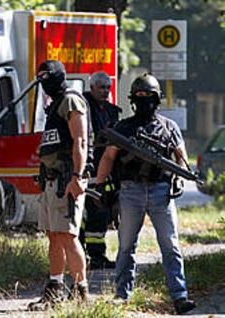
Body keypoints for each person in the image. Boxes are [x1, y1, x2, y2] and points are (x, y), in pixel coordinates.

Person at [95, 73, 196, 314]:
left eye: (148, 97)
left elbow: (182, 158)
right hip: (130, 192)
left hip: (161, 191)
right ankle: (122, 294)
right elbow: (109, 157)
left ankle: (180, 295)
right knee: (126, 246)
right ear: (132, 99)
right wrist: (99, 184)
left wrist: (181, 177)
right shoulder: (123, 128)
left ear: (157, 99)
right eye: (139, 96)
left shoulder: (167, 127)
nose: (143, 101)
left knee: (170, 245)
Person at [29, 60, 91, 310]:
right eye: (40, 78)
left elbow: (81, 141)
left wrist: (76, 176)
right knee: (53, 235)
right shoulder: (54, 104)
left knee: (67, 235)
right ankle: (54, 290)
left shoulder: (71, 100)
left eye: (47, 77)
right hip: (52, 180)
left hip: (67, 178)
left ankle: (80, 293)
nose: (44, 83)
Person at [79, 71, 121, 270]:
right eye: (101, 87)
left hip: (105, 172)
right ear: (92, 87)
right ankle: (79, 256)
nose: (105, 91)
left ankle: (97, 257)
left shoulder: (111, 111)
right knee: (84, 217)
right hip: (86, 170)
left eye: (108, 88)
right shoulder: (83, 106)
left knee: (100, 215)